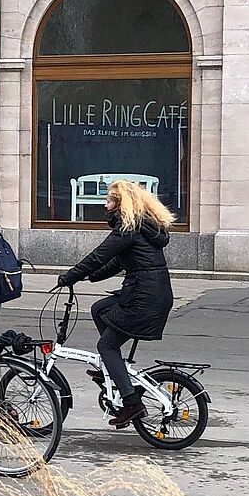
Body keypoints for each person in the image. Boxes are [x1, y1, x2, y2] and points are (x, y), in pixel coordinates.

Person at [55, 179, 175, 427]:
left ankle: (131, 402)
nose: (105, 205)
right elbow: (118, 262)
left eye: (109, 200)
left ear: (121, 204)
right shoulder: (141, 227)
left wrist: (70, 276)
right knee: (99, 309)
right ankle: (113, 368)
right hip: (151, 294)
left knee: (106, 346)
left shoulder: (128, 229)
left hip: (144, 298)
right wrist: (91, 277)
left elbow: (100, 255)